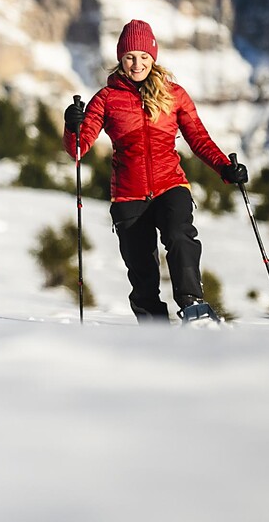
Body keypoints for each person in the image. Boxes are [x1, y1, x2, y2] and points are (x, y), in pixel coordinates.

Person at [64, 19, 248, 323]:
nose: (137, 64)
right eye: (130, 57)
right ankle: (155, 330)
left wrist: (225, 168)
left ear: (153, 57)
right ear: (121, 58)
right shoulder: (106, 99)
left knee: (179, 236)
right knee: (142, 271)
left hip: (170, 185)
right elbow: (79, 148)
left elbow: (199, 139)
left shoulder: (174, 95)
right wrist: (73, 126)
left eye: (144, 57)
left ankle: (194, 307)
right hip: (128, 195)